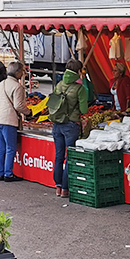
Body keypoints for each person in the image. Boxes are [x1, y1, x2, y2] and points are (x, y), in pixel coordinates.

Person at [49, 59, 89, 198]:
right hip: (71, 125)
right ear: (78, 72)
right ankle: (66, 188)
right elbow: (84, 109)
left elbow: (52, 105)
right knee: (70, 157)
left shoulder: (59, 85)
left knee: (59, 156)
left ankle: (58, 187)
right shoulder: (80, 89)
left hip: (56, 125)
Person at [0, 61, 30, 182]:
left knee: (0, 147)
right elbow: (19, 106)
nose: (23, 74)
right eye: (22, 71)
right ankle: (8, 174)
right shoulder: (17, 87)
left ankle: (1, 173)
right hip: (8, 120)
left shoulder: (0, 84)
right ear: (18, 72)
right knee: (10, 148)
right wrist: (29, 112)